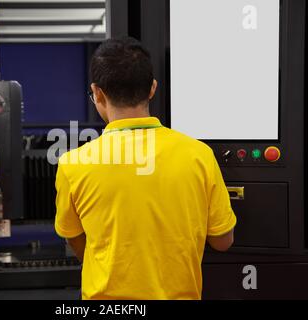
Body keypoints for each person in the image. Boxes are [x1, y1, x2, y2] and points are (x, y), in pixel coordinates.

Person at [54, 37, 236, 300]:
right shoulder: (199, 155)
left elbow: (74, 238)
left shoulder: (73, 164)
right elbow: (223, 241)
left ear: (97, 93)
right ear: (152, 88)